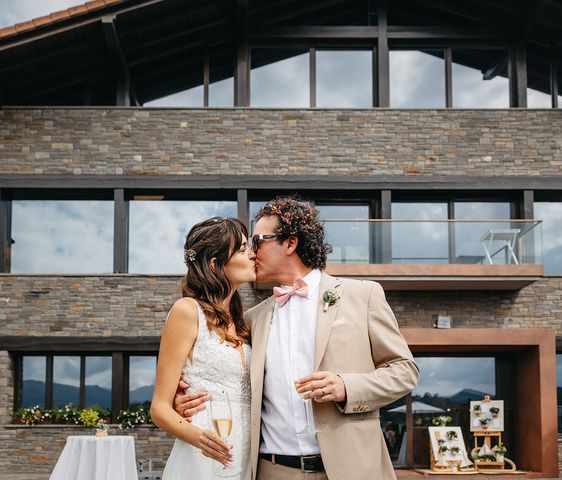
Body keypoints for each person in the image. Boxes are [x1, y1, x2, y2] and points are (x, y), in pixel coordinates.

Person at [175, 196, 420, 479]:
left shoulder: (362, 296)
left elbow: (405, 371)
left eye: (258, 242)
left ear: (290, 243)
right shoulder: (251, 319)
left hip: (350, 468)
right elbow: (230, 380)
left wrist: (346, 386)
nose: (252, 253)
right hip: (273, 470)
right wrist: (185, 405)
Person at [150, 217, 256, 480]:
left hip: (247, 454)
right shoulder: (187, 311)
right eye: (243, 249)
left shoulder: (246, 323)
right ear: (214, 264)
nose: (252, 254)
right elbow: (159, 408)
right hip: (204, 455)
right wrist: (202, 439)